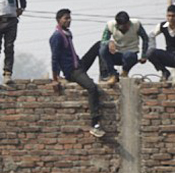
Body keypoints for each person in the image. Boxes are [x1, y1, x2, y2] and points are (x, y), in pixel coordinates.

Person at [50, 9, 105, 138]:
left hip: (79, 65)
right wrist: (55, 78)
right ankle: (95, 124)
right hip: (72, 71)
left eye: (69, 18)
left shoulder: (67, 34)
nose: (68, 21)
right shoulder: (57, 36)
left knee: (100, 45)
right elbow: (55, 58)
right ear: (59, 20)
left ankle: (105, 75)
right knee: (92, 87)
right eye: (65, 18)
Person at [99, 11, 149, 84]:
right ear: (117, 25)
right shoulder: (110, 25)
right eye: (122, 27)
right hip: (117, 54)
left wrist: (144, 55)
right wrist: (109, 42)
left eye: (126, 26)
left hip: (131, 55)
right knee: (102, 50)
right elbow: (103, 40)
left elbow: (145, 38)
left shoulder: (136, 24)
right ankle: (113, 74)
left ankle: (125, 72)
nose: (125, 28)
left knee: (129, 55)